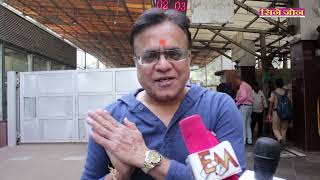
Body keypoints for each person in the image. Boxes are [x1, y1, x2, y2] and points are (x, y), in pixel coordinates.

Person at [81, 8, 246, 180]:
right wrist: (118, 176)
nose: (163, 65)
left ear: (189, 58)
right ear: (136, 62)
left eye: (174, 54)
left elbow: (234, 178)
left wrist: (145, 158)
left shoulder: (218, 107)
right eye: (150, 56)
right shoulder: (112, 121)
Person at [267, 78, 291, 146]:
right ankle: (283, 142)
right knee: (284, 129)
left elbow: (271, 105)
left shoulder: (274, 93)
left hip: (276, 112)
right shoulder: (287, 92)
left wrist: (269, 114)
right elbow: (290, 102)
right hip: (286, 112)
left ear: (275, 84)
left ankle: (280, 139)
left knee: (275, 128)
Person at [234, 78, 253, 145]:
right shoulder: (249, 86)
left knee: (242, 124)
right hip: (250, 106)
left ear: (239, 80)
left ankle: (243, 140)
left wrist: (237, 103)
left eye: (237, 82)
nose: (236, 83)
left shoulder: (242, 85)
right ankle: (250, 140)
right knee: (248, 124)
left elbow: (244, 96)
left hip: (244, 106)